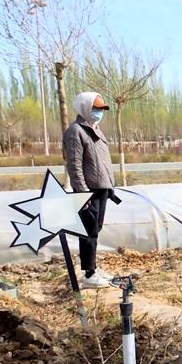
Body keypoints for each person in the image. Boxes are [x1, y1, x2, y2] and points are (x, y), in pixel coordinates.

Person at [63, 92, 118, 289]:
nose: (99, 113)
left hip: (102, 188)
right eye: (95, 109)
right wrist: (82, 192)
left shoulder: (97, 131)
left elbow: (103, 162)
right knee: (88, 231)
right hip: (88, 190)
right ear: (85, 108)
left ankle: (93, 268)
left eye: (101, 110)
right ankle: (89, 274)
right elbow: (74, 165)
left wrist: (110, 186)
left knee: (96, 229)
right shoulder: (75, 131)